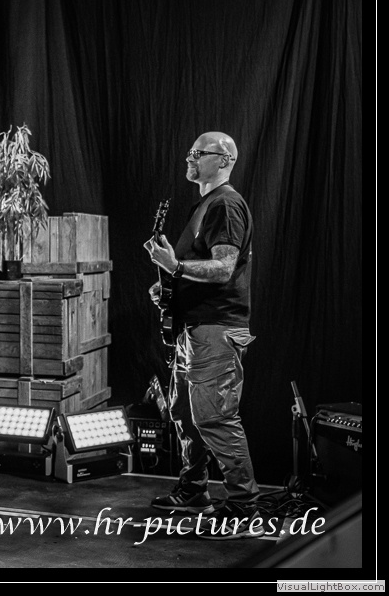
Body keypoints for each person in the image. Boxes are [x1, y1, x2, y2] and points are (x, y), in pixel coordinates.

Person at [143, 131, 261, 540]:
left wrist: (174, 267)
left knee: (214, 417)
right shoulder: (206, 204)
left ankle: (243, 507)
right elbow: (200, 268)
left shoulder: (226, 204)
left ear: (224, 159)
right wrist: (169, 287)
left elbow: (224, 267)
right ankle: (194, 490)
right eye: (189, 152)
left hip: (216, 329)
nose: (189, 158)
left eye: (199, 152)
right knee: (184, 414)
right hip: (193, 330)